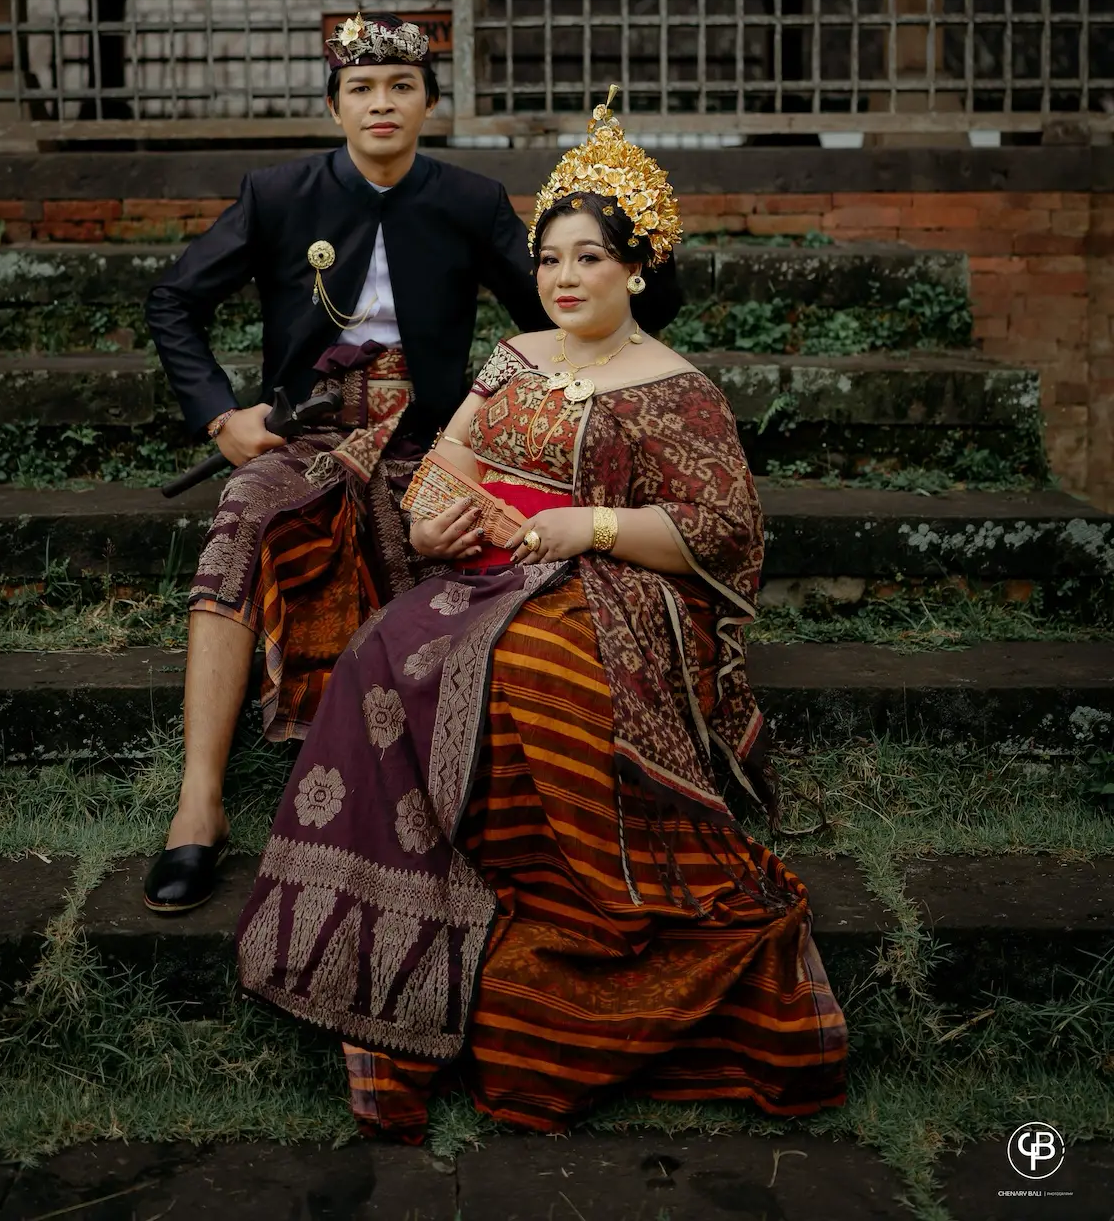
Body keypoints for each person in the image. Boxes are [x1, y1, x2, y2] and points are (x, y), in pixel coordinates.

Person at [234, 96, 847, 1134]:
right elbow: (446, 468)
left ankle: (561, 903)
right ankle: (382, 961)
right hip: (483, 575)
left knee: (531, 672)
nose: (563, 277)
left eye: (588, 258)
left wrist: (588, 526)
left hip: (619, 591)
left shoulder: (676, 388)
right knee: (382, 652)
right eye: (550, 258)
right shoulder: (514, 357)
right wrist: (429, 522)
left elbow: (722, 529)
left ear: (636, 269)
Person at [141, 12, 543, 913]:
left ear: (429, 105)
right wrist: (221, 418)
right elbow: (174, 300)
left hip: (439, 437)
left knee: (460, 550)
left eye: (402, 87)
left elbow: (550, 313)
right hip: (310, 432)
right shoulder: (279, 194)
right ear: (335, 108)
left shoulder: (471, 200)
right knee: (244, 511)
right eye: (361, 89)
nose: (381, 103)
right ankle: (198, 805)